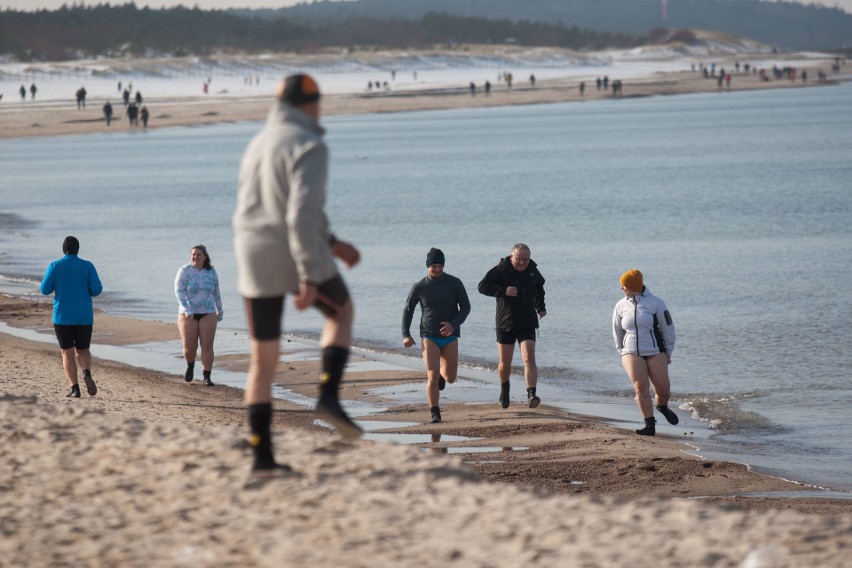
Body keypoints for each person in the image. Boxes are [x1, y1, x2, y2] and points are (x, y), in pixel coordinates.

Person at [233, 73, 363, 473]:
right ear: (308, 105)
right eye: (318, 102)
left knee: (263, 360)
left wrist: (334, 243)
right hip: (291, 249)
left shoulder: (257, 143)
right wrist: (309, 275)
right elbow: (300, 216)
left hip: (250, 251)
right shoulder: (310, 145)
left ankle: (262, 458)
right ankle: (328, 395)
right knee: (341, 313)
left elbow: (273, 206)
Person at [402, 248, 471, 424]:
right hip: (429, 335)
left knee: (450, 378)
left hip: (450, 336)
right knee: (432, 375)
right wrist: (406, 334)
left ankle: (443, 375)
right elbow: (408, 311)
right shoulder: (419, 287)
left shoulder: (454, 283)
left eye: (440, 265)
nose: (438, 269)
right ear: (427, 266)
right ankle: (435, 411)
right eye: (434, 266)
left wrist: (452, 325)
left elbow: (465, 307)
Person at [478, 243, 546, 409]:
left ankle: (531, 394)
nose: (522, 262)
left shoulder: (532, 270)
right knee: (505, 364)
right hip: (505, 323)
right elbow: (482, 287)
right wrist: (503, 290)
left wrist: (540, 307)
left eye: (526, 259)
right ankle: (504, 386)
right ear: (511, 257)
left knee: (529, 358)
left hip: (527, 322)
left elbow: (539, 288)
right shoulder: (501, 270)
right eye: (519, 259)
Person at [612, 269, 678, 436]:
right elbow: (617, 331)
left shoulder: (656, 303)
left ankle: (662, 406)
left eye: (624, 285)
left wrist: (668, 352)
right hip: (631, 352)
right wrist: (622, 350)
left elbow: (668, 328)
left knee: (663, 391)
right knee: (640, 387)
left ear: (633, 286)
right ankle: (649, 424)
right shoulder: (620, 306)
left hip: (656, 351)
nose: (621, 288)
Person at [39, 236, 103, 398]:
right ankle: (87, 373)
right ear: (77, 249)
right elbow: (96, 290)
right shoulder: (87, 266)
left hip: (62, 316)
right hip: (84, 316)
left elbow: (45, 290)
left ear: (63, 249)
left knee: (67, 353)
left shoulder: (55, 266)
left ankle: (75, 388)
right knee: (83, 350)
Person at [174, 245, 224, 386]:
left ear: (205, 256)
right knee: (190, 347)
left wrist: (220, 310)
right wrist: (186, 308)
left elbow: (216, 293)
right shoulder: (184, 271)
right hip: (187, 314)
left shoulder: (211, 272)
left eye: (199, 254)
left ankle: (206, 376)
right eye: (193, 254)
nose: (195, 257)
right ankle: (190, 365)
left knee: (207, 345)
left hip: (208, 312)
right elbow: (179, 291)